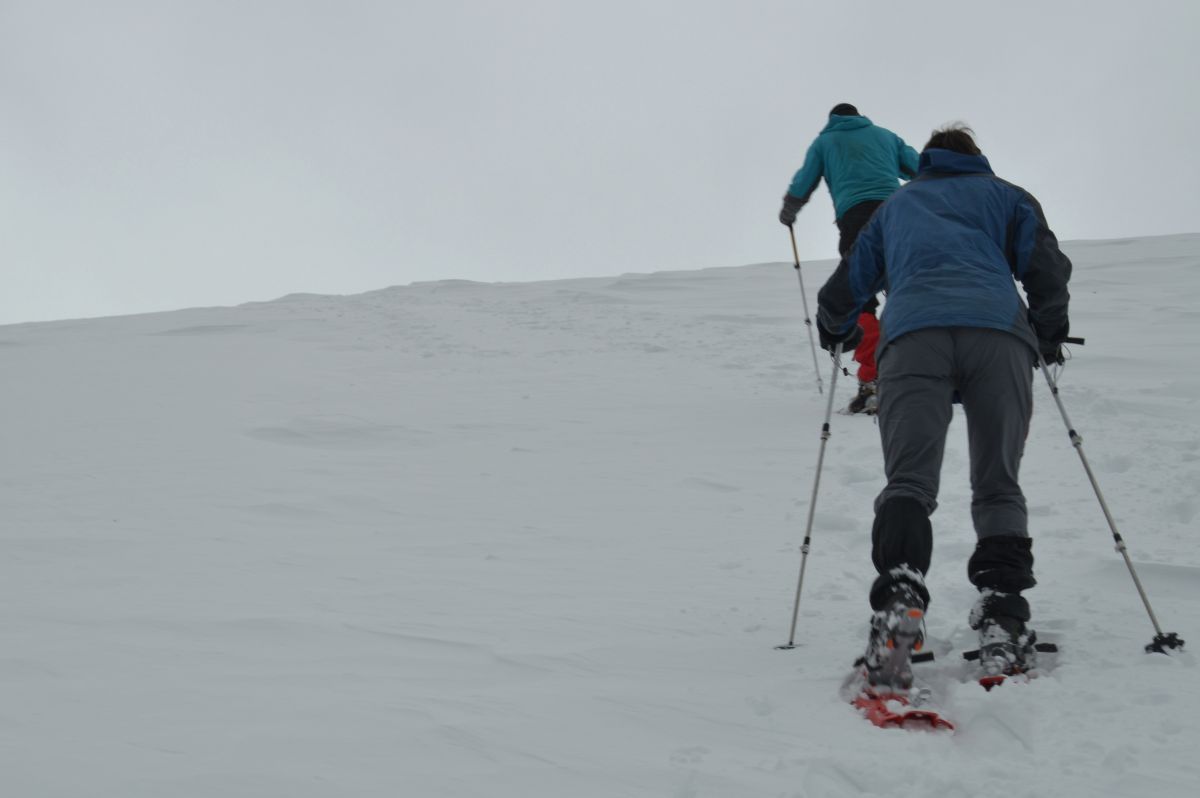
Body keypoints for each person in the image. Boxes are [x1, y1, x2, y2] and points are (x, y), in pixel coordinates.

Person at [814, 124, 1072, 690]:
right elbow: (1046, 269)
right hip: (999, 337)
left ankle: (900, 603)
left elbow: (849, 283)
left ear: (926, 160)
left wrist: (833, 327)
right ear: (978, 158)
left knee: (909, 480)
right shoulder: (1008, 195)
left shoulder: (897, 205)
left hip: (912, 338)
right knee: (998, 482)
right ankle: (1004, 616)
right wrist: (1048, 333)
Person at [779, 103, 920, 414]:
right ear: (860, 116)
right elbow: (917, 168)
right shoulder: (885, 136)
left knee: (860, 298)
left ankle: (873, 381)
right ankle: (915, 370)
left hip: (857, 220)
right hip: (899, 214)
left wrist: (789, 210)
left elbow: (805, 181)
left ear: (833, 120)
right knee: (904, 291)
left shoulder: (825, 142)